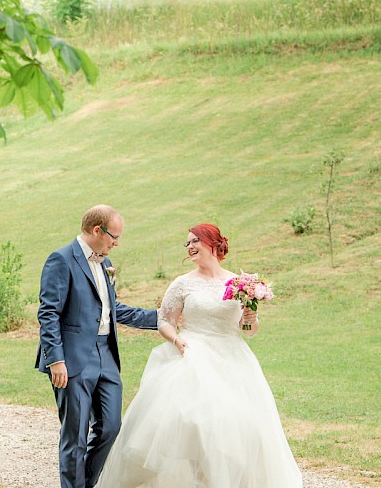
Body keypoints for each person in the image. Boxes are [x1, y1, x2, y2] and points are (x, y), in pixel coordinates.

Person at [96, 223, 303, 488]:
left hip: (233, 360)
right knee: (195, 423)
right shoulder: (183, 284)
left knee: (242, 428)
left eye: (195, 241)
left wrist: (250, 317)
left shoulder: (239, 283)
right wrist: (177, 339)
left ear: (214, 244)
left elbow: (248, 331)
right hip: (193, 355)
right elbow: (164, 321)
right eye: (187, 243)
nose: (190, 247)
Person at [36, 205, 160, 488]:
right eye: (114, 236)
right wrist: (56, 359)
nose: (116, 243)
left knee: (111, 428)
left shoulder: (104, 264)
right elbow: (48, 313)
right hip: (72, 358)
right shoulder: (61, 260)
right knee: (75, 436)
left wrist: (160, 318)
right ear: (97, 230)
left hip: (106, 355)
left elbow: (112, 309)